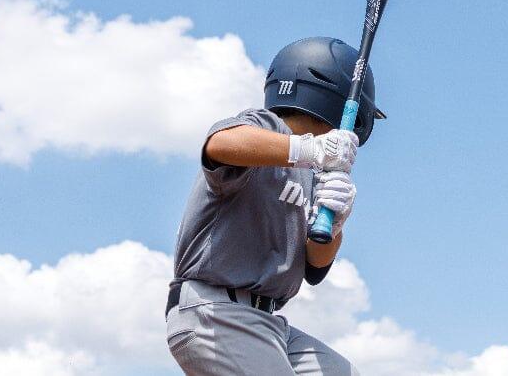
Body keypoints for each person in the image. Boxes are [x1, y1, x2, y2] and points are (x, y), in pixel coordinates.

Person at [165, 37, 385, 375]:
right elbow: (219, 144)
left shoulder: (315, 173)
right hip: (215, 311)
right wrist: (309, 149)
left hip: (268, 322)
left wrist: (336, 225)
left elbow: (315, 268)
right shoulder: (265, 127)